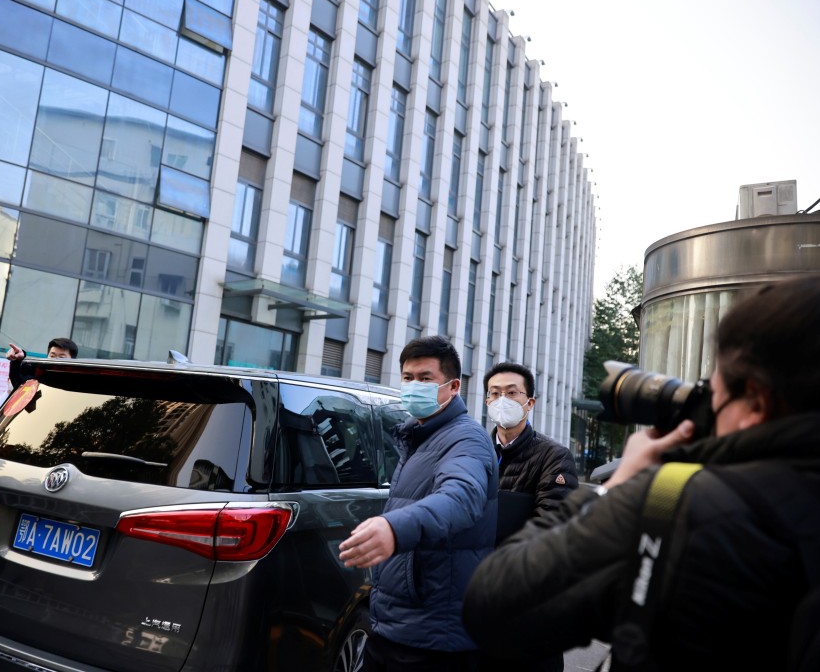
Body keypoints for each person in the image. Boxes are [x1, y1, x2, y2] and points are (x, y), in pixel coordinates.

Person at [462, 275, 820, 671]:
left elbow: (494, 605)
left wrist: (614, 488)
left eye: (713, 391)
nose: (705, 403)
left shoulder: (670, 503)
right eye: (493, 393)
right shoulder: (474, 450)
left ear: (755, 400)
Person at [338, 335, 497, 671]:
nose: (414, 386)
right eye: (408, 378)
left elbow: (460, 497)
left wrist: (394, 529)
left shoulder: (466, 437)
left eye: (426, 379)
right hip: (396, 626)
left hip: (434, 637)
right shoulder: (419, 435)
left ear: (453, 387)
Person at [478, 362, 579, 671]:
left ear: (530, 403)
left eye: (512, 393)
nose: (502, 400)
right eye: (495, 393)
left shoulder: (553, 456)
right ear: (486, 402)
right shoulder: (475, 451)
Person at [6, 337, 78, 390]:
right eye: (52, 356)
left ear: (72, 359)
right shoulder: (39, 372)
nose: (56, 360)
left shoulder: (79, 379)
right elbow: (19, 384)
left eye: (62, 357)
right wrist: (17, 360)